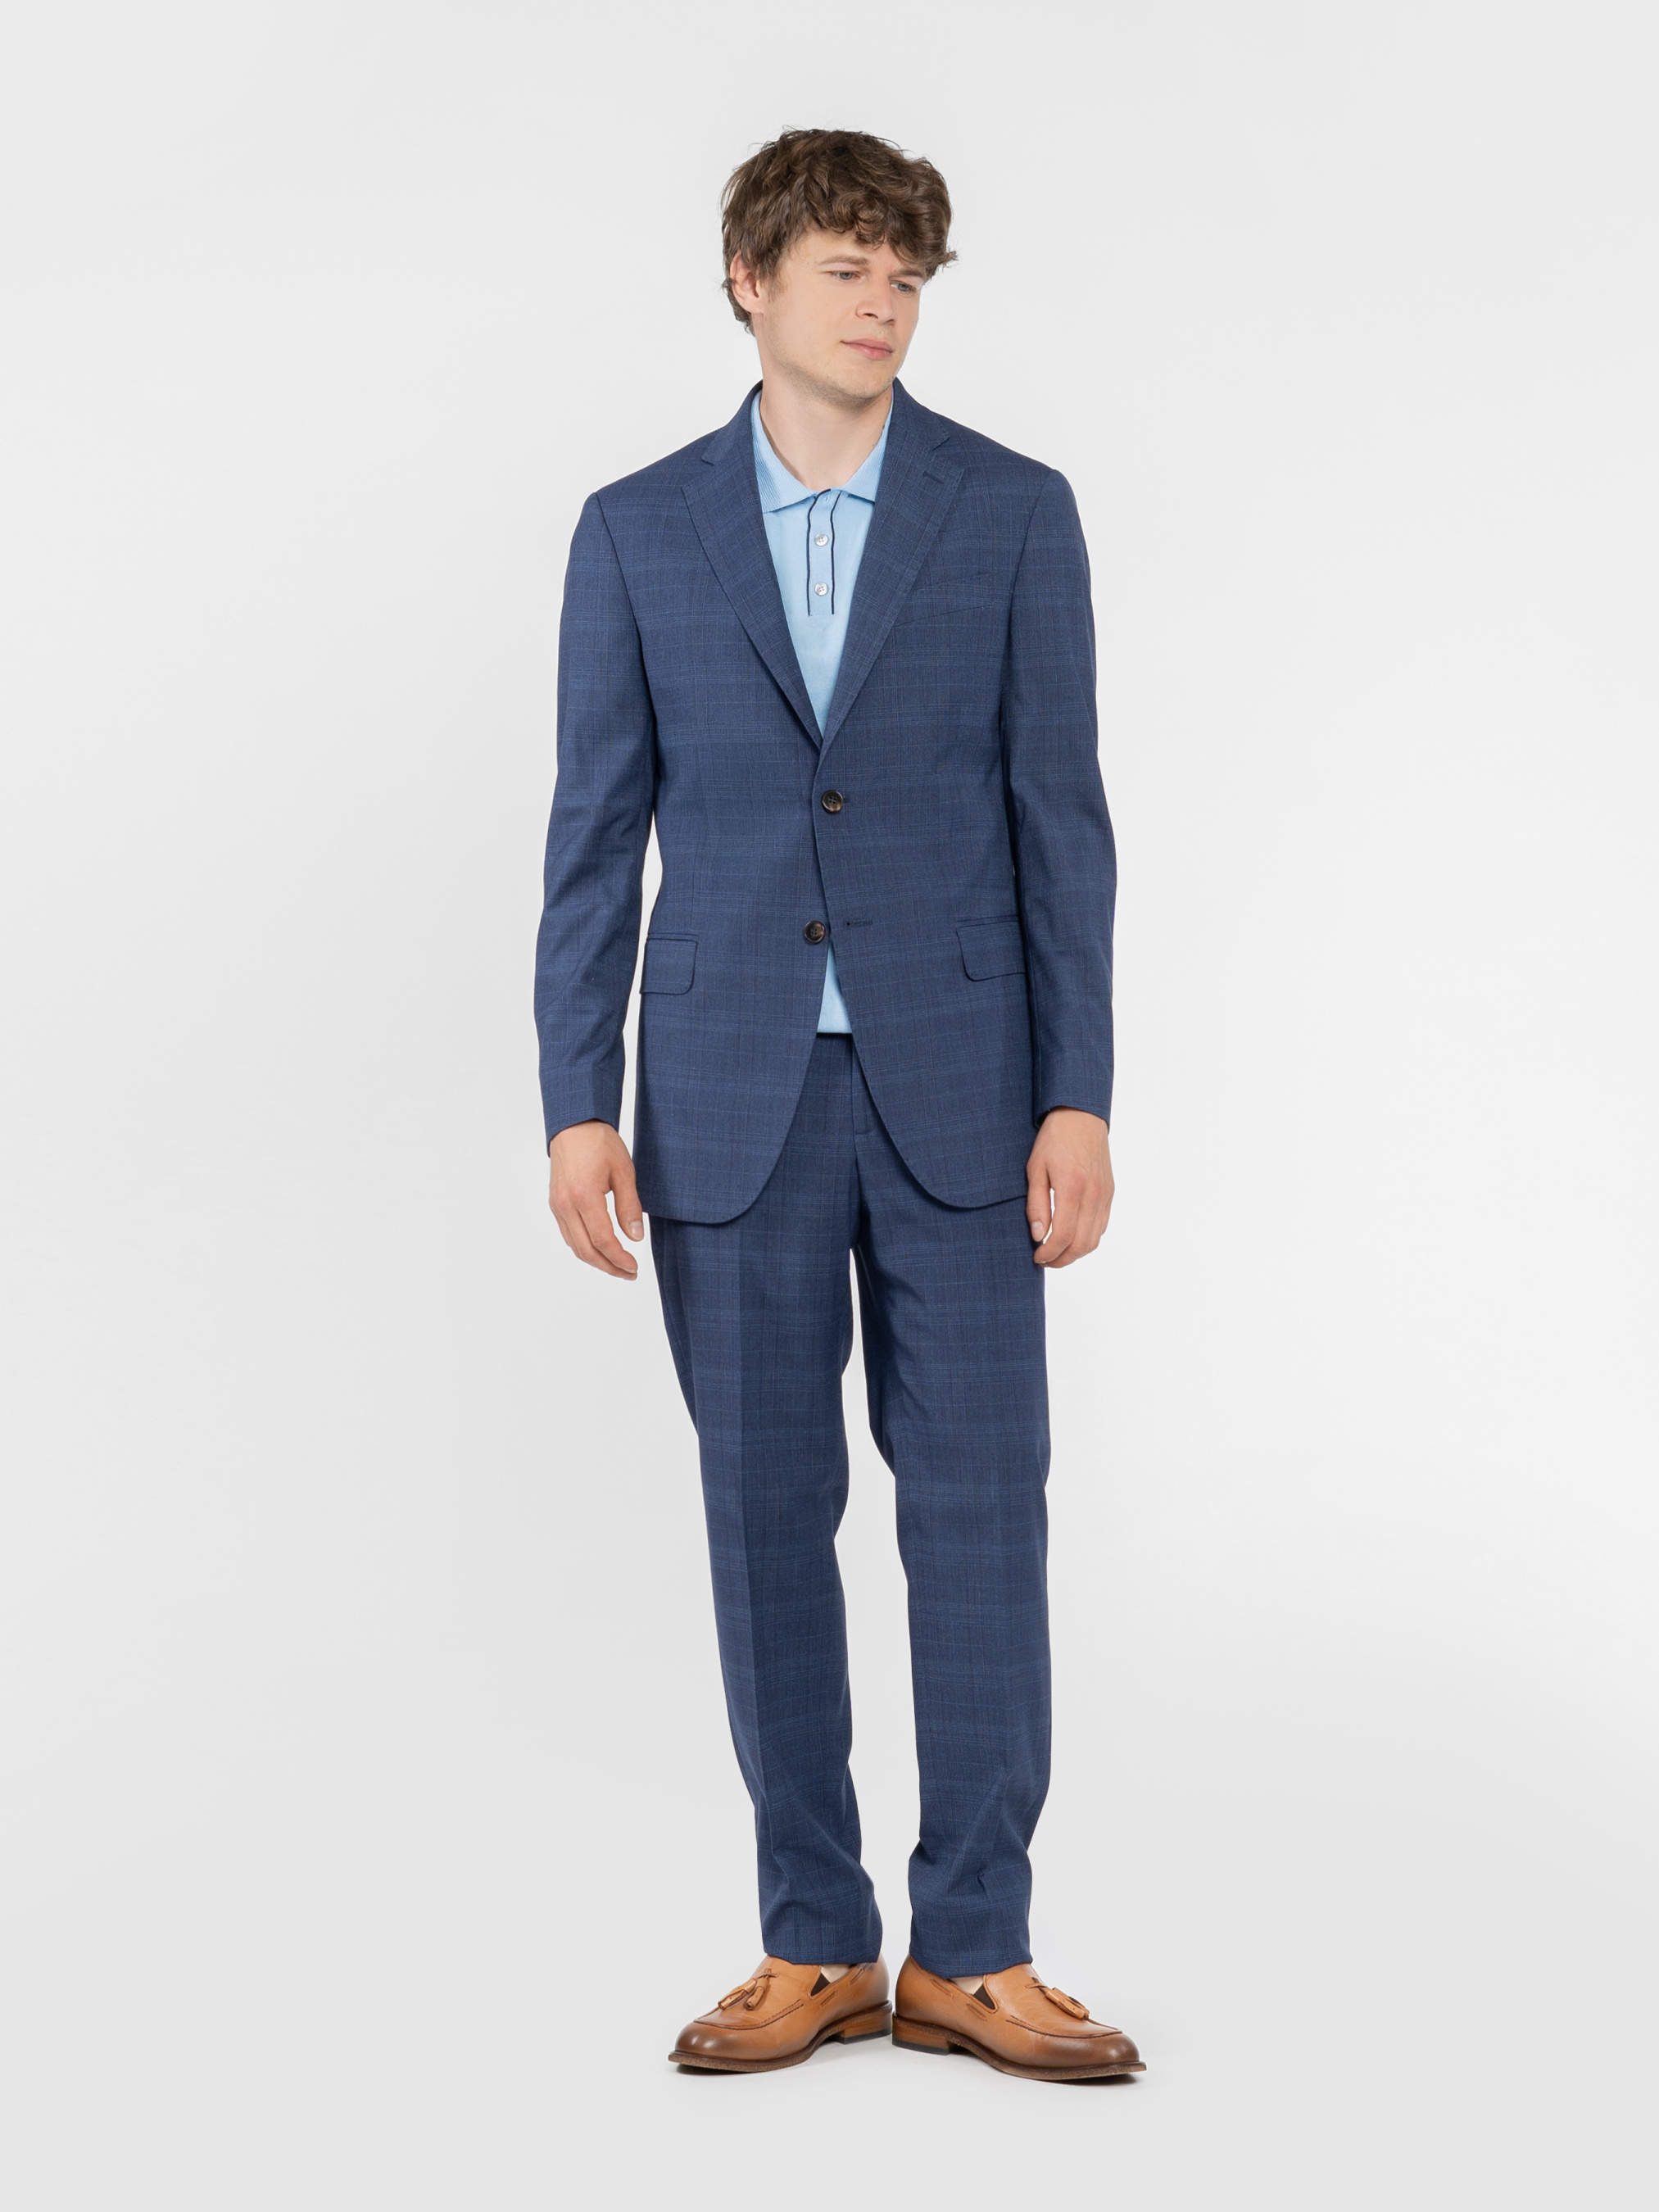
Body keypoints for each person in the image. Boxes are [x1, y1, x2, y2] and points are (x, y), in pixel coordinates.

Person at [535, 129, 1142, 2083]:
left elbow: (1061, 827)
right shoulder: (633, 530)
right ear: (749, 281)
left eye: (905, 276)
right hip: (724, 1101)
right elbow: (593, 836)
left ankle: (975, 1946)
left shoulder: (1011, 513)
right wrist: (574, 1100)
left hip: (964, 1094)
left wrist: (1078, 1094)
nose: (882, 305)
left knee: (977, 1517)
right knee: (759, 1517)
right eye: (844, 269)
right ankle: (811, 1939)